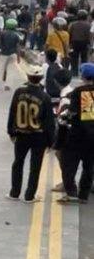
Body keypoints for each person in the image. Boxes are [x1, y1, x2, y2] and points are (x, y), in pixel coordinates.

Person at [6, 64, 55, 203]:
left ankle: (14, 192)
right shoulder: (44, 97)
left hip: (21, 134)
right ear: (41, 78)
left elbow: (13, 112)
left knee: (18, 162)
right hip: (38, 136)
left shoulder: (19, 92)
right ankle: (29, 195)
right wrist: (51, 141)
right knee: (35, 166)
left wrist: (11, 131)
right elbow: (49, 122)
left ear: (28, 77)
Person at [58, 63, 94, 204]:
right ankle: (83, 195)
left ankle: (71, 192)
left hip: (78, 134)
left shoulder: (79, 91)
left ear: (83, 76)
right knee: (89, 166)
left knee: (68, 163)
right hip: (92, 135)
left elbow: (72, 113)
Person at [0, 19, 21, 92]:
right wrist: (18, 57)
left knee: (1, 70)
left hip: (3, 54)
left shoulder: (3, 34)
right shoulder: (16, 35)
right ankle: (7, 86)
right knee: (10, 70)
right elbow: (18, 47)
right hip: (13, 54)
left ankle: (0, 85)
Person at [69, 10, 91, 77]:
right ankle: (83, 73)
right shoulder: (88, 25)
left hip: (74, 43)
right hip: (84, 43)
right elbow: (89, 35)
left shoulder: (73, 24)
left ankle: (74, 73)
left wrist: (70, 43)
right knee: (84, 58)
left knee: (74, 58)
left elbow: (70, 33)